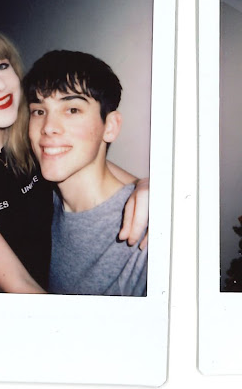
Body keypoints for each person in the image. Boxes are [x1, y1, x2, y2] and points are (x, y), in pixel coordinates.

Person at [0, 24, 147, 293]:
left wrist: (147, 185)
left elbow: (93, 160)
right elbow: (17, 283)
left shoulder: (34, 138)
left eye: (1, 66)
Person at [23, 50, 148, 296]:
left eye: (72, 110)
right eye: (39, 111)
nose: (48, 128)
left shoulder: (144, 235)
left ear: (109, 127)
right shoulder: (37, 197)